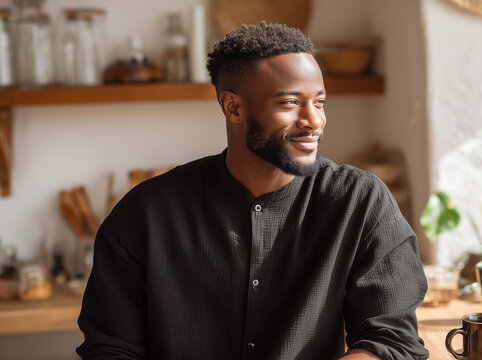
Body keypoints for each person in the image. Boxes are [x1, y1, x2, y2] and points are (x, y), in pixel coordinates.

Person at [76, 22, 429, 360]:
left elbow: (391, 340)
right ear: (233, 107)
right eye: (290, 103)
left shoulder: (359, 201)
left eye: (319, 102)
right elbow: (111, 350)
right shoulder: (144, 214)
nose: (314, 121)